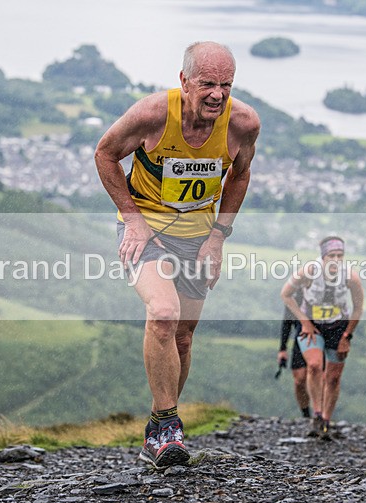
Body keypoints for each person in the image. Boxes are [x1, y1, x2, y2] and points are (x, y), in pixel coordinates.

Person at [94, 41, 261, 468]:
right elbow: (105, 154)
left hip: (198, 238)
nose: (218, 95)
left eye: (226, 85)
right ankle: (168, 426)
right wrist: (133, 220)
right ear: (184, 81)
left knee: (183, 336)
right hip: (146, 232)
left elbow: (240, 175)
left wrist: (218, 237)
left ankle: (159, 428)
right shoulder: (152, 115)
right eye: (208, 84)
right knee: (164, 314)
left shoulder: (243, 124)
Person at [281, 236, 364, 438]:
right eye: (331, 256)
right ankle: (317, 415)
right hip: (312, 326)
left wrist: (347, 336)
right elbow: (285, 294)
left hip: (338, 327)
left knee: (333, 378)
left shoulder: (351, 277)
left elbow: (358, 308)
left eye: (340, 256)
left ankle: (326, 420)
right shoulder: (308, 271)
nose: (336, 260)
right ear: (323, 256)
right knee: (314, 365)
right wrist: (304, 321)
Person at [277, 288, 311, 418]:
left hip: (321, 337)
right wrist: (282, 349)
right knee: (299, 380)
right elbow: (287, 322)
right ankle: (306, 414)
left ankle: (321, 414)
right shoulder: (296, 297)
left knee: (319, 375)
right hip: (300, 338)